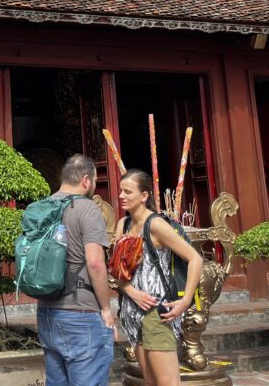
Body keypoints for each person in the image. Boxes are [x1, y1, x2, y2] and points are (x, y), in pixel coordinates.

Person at [114, 169, 203, 386]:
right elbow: (116, 271)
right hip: (131, 312)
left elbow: (195, 259)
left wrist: (184, 301)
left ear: (144, 196)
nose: (121, 196)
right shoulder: (122, 224)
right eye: (121, 191)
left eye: (128, 192)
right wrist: (130, 291)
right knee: (151, 381)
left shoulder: (155, 225)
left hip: (156, 311)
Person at [36, 154, 117, 386]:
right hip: (80, 314)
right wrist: (106, 309)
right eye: (94, 180)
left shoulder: (43, 207)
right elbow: (95, 263)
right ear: (85, 180)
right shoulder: (87, 208)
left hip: (47, 311)